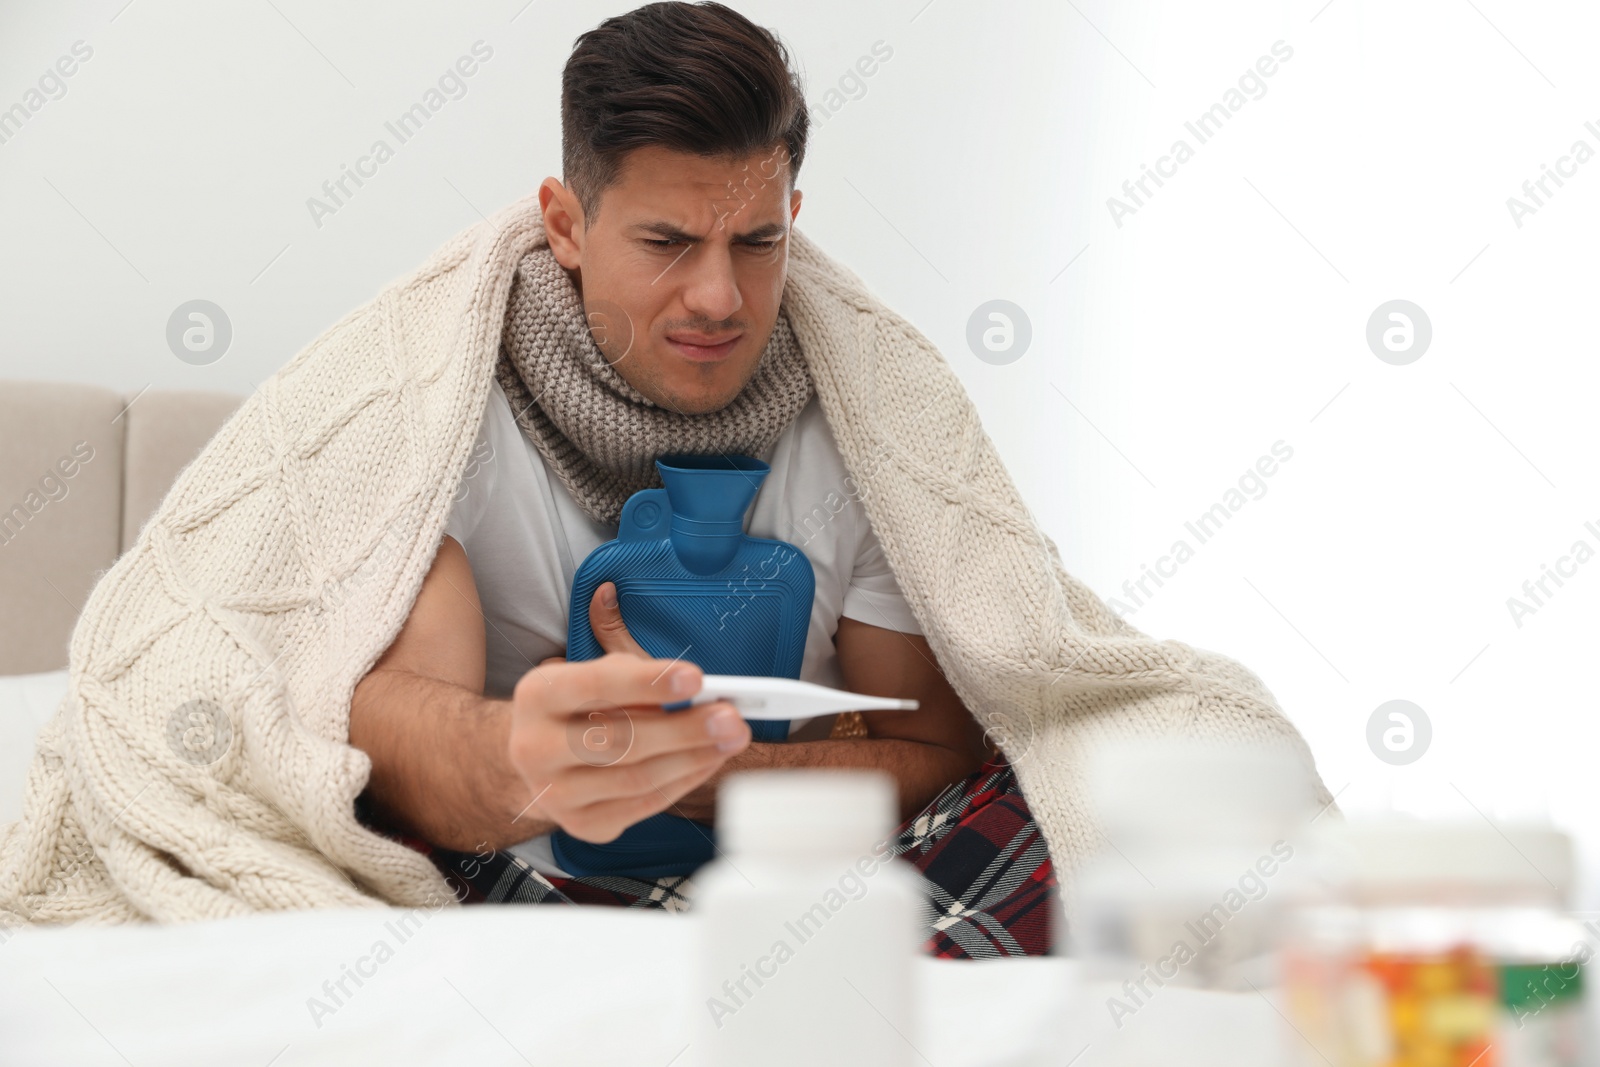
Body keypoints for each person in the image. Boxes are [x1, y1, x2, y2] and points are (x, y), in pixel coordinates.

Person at [348, 1, 1054, 956]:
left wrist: (709, 769)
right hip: (535, 865)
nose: (719, 299)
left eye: (757, 244)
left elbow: (939, 752)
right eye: (667, 242)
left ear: (792, 221)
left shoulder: (871, 424)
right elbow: (395, 732)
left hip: (802, 869)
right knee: (358, 841)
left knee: (1063, 809)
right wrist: (549, 752)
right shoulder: (452, 408)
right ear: (564, 224)